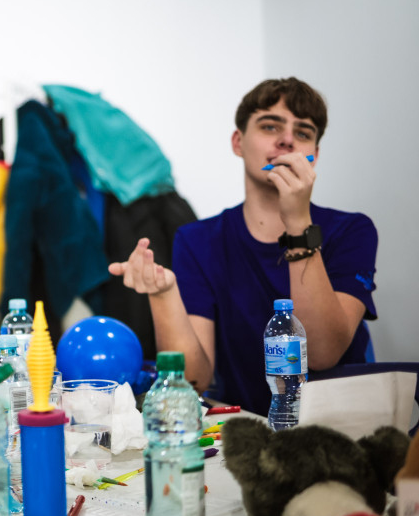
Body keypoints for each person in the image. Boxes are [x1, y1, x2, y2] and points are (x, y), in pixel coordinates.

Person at [109, 78, 377, 415]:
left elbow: (321, 355)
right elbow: (194, 380)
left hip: (343, 433)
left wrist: (298, 222)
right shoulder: (197, 241)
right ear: (238, 142)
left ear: (314, 156)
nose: (287, 139)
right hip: (249, 433)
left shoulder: (352, 231)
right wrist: (163, 295)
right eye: (270, 126)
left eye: (304, 133)